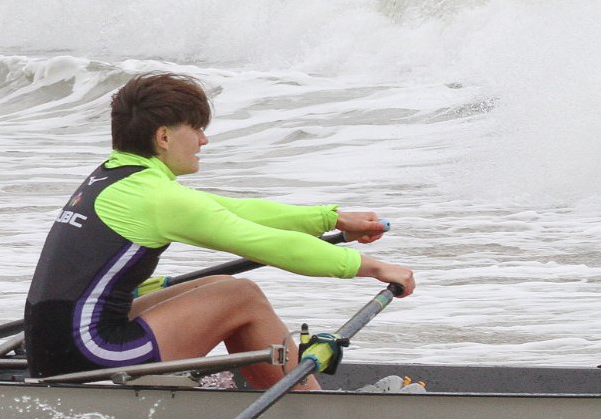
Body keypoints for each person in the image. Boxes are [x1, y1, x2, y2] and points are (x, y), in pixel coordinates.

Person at [23, 72, 414, 387]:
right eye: (196, 129)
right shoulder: (156, 197)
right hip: (91, 356)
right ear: (163, 136)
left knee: (213, 288)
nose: (204, 139)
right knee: (239, 294)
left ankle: (294, 401)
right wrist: (374, 268)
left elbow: (238, 211)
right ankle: (313, 415)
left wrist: (331, 218)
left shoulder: (116, 177)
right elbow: (266, 244)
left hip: (56, 347)